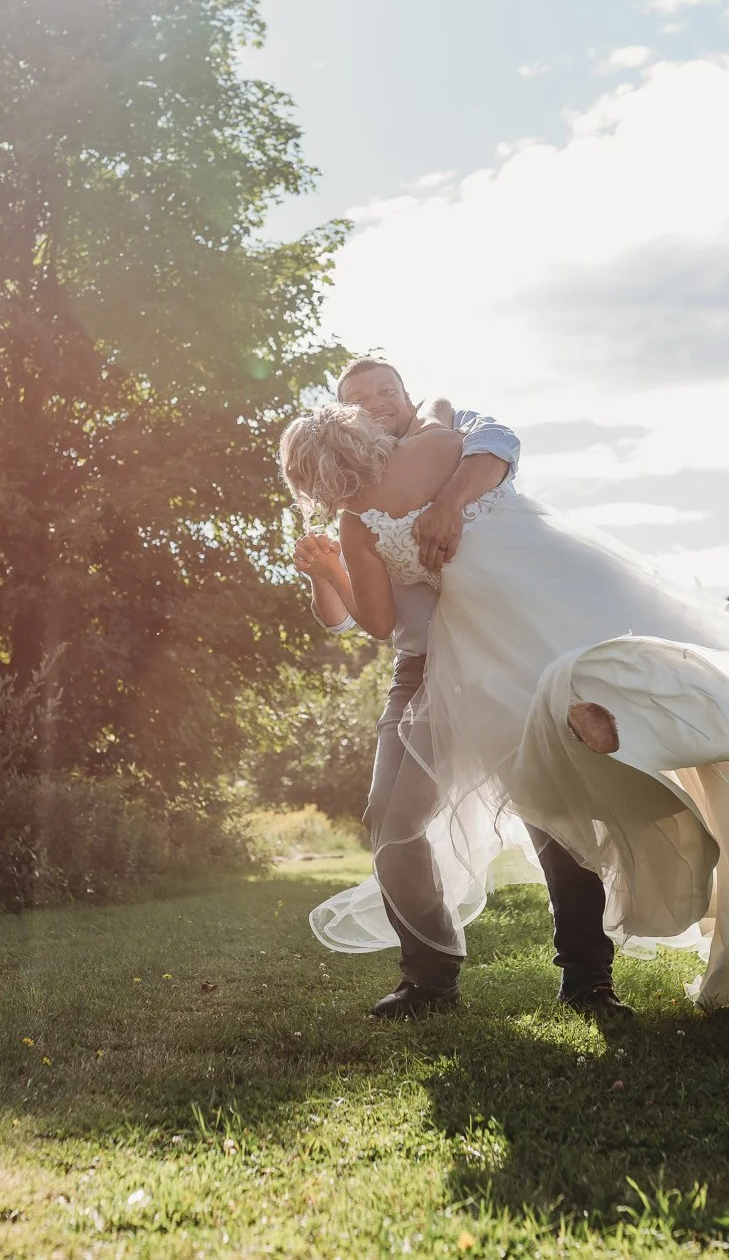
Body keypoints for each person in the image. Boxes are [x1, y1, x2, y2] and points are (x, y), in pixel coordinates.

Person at [280, 401, 729, 1010]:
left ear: (312, 477)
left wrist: (336, 568)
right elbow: (485, 446)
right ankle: (726, 744)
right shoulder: (445, 443)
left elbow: (380, 619)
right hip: (572, 585)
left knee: (554, 795)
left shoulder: (357, 519)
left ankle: (592, 952)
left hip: (487, 641)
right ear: (361, 428)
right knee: (626, 697)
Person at [291, 358, 627, 1020]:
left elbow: (499, 444)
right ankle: (429, 976)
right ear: (343, 419)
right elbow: (380, 623)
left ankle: (587, 978)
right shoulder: (355, 517)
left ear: (405, 396)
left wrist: (446, 500)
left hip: (512, 653)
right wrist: (328, 567)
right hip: (420, 670)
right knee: (391, 816)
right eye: (357, 397)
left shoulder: (453, 438)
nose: (374, 402)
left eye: (385, 389)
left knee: (554, 810)